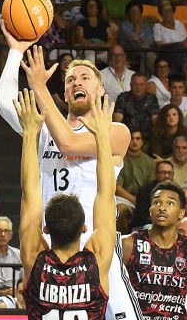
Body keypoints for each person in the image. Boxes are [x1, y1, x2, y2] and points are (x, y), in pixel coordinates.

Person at [0, 33, 140, 319]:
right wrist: (15, 52)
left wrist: (38, 87)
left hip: (96, 244)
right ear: (64, 94)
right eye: (70, 80)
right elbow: (4, 103)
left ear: (101, 90)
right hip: (51, 242)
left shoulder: (114, 131)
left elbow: (69, 144)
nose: (77, 82)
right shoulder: (43, 126)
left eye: (85, 77)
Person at [16, 87, 122, 317]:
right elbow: (106, 195)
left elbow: (30, 192)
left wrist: (29, 133)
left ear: (45, 229)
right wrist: (102, 136)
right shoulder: (97, 259)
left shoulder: (34, 257)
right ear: (85, 228)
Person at [122, 181, 187, 319]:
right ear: (150, 209)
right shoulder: (128, 244)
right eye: (157, 203)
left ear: (181, 212)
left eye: (170, 203)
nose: (162, 208)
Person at [115, 129, 155, 234]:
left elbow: (151, 187)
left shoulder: (150, 162)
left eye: (138, 138)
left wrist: (142, 202)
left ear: (142, 141)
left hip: (144, 199)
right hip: (122, 197)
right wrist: (136, 201)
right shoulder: (120, 159)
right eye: (132, 138)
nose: (134, 141)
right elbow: (117, 188)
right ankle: (121, 239)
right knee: (118, 211)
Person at [113, 73, 160, 140]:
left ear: (146, 86)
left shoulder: (151, 98)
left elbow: (155, 119)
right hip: (127, 138)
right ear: (130, 85)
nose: (138, 87)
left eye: (141, 85)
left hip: (147, 138)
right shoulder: (123, 97)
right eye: (135, 84)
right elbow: (117, 120)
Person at [152, 1, 187, 78]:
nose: (167, 13)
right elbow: (158, 44)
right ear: (161, 13)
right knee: (178, 47)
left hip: (181, 52)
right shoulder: (157, 26)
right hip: (165, 52)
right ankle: (184, 72)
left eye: (170, 10)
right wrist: (174, 45)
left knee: (184, 49)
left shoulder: (179, 24)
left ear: (173, 12)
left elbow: (185, 42)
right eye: (165, 11)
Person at [132, 160, 174, 228]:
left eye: (169, 173)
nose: (166, 176)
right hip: (147, 224)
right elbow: (142, 216)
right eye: (163, 172)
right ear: (156, 174)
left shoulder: (176, 191)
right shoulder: (145, 190)